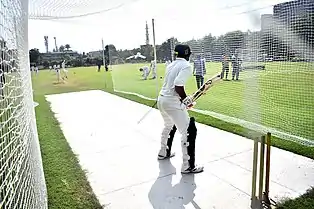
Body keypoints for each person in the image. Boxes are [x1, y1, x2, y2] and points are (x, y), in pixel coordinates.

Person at [157, 44, 204, 174]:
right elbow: (178, 85)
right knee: (189, 130)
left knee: (169, 126)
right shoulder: (186, 66)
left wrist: (184, 100)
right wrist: (185, 100)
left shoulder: (170, 65)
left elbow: (173, 86)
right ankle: (188, 166)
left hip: (162, 100)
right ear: (188, 54)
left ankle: (163, 152)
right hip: (171, 102)